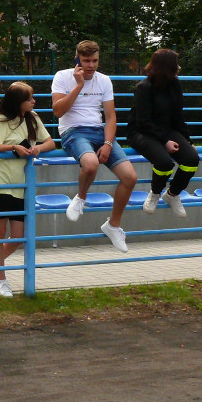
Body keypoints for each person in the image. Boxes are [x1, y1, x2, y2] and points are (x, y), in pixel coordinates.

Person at [51, 40, 137, 252]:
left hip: (99, 132)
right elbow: (58, 111)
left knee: (130, 177)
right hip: (73, 131)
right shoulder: (62, 77)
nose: (91, 65)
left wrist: (108, 143)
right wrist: (78, 85)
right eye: (86, 60)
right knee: (90, 164)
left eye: (95, 60)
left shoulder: (104, 80)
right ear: (77, 59)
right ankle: (81, 197)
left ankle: (113, 225)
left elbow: (110, 116)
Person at [0, 82, 55, 298]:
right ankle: (1, 280)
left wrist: (39, 147)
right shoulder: (2, 121)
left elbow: (50, 142)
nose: (33, 101)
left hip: (21, 186)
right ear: (18, 101)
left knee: (19, 236)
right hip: (0, 184)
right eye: (29, 98)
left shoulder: (33, 118)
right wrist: (12, 148)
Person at [126, 49, 199, 218]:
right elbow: (143, 121)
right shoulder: (143, 88)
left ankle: (172, 194)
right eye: (175, 65)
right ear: (167, 67)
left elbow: (178, 117)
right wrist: (165, 141)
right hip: (141, 131)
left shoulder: (175, 85)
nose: (179, 67)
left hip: (166, 130)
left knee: (191, 159)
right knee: (164, 162)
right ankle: (155, 193)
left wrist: (188, 141)